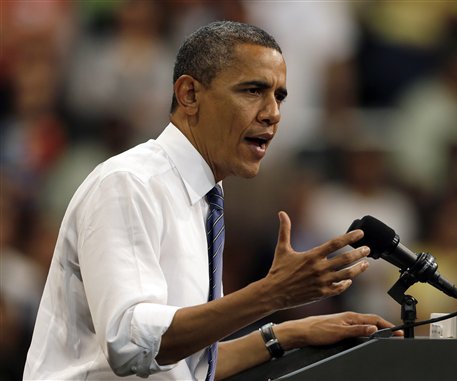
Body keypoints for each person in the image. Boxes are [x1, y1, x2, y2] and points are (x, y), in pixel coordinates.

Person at [24, 21, 399, 380]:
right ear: (189, 94)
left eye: (279, 96)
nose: (273, 114)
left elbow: (183, 369)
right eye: (253, 91)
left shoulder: (205, 197)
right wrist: (272, 294)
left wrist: (290, 335)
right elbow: (130, 343)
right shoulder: (130, 184)